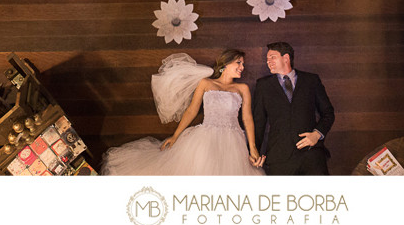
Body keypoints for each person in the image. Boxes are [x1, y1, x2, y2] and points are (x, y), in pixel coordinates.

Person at [101, 50, 264, 175]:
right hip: (206, 138)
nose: (242, 68)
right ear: (225, 64)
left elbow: (247, 119)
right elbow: (192, 110)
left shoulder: (242, 88)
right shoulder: (206, 83)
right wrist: (175, 136)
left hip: (233, 140)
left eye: (242, 64)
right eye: (238, 63)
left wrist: (253, 148)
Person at [252, 41, 335, 175]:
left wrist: (316, 134)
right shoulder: (263, 85)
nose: (268, 62)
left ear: (286, 58)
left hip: (311, 155)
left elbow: (328, 113)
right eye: (267, 59)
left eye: (272, 57)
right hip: (279, 158)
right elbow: (259, 122)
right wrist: (255, 152)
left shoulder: (311, 80)